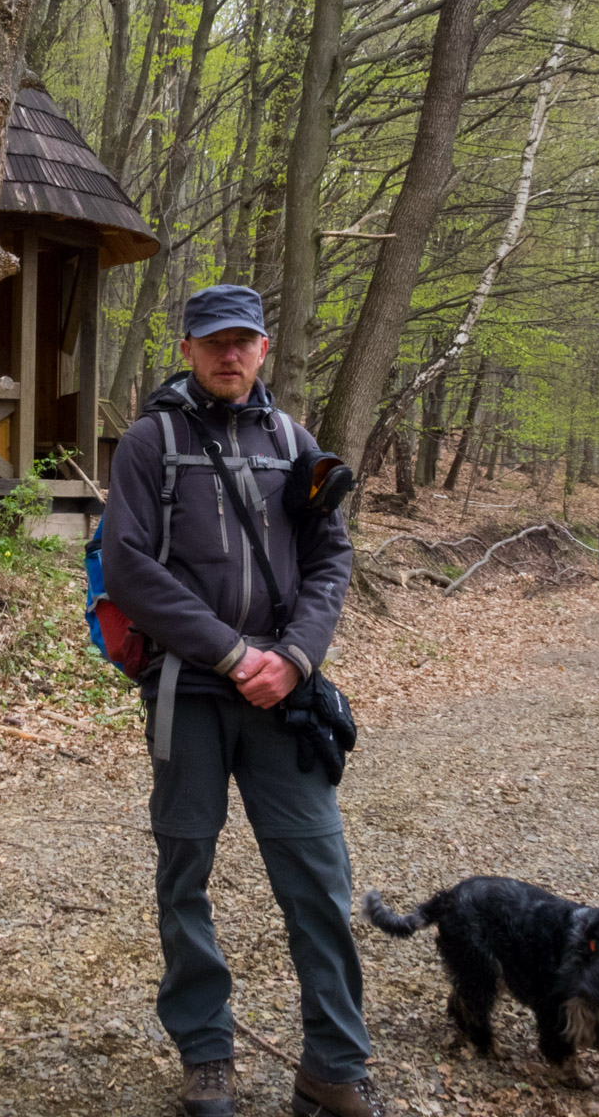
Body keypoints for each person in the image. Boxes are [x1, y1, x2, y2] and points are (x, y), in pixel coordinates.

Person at [100, 285, 385, 1117]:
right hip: (186, 690)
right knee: (184, 870)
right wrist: (232, 655)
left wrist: (294, 658)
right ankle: (206, 1053)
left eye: (245, 341)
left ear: (265, 348)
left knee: (319, 875)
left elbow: (333, 559)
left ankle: (334, 1063)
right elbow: (130, 571)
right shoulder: (150, 443)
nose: (231, 355)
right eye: (214, 341)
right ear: (187, 347)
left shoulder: (296, 442)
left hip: (283, 697)